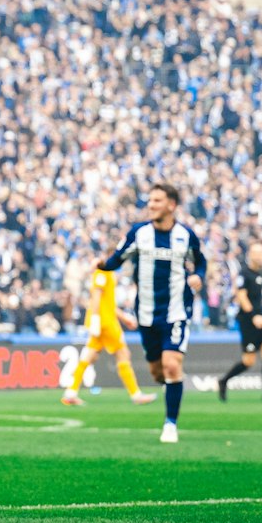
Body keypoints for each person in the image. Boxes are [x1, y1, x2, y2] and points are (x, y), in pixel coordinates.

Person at [98, 183, 207, 445]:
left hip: (176, 311)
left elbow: (200, 261)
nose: (151, 205)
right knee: (158, 372)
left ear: (171, 205)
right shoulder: (139, 233)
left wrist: (198, 277)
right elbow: (117, 259)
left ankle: (170, 424)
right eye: (150, 201)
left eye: (157, 201)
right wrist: (101, 265)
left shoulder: (185, 235)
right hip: (146, 314)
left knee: (172, 365)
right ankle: (171, 389)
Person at [61, 257, 155, 407]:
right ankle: (136, 394)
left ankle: (71, 393)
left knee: (88, 356)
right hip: (106, 323)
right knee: (123, 354)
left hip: (104, 320)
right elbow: (97, 297)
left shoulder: (107, 272)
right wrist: (97, 319)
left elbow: (107, 303)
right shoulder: (103, 272)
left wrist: (124, 318)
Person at [219, 245, 262, 402]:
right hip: (248, 320)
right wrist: (253, 316)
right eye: (259, 253)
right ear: (251, 255)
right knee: (248, 361)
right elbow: (241, 296)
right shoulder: (244, 274)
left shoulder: (260, 273)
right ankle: (224, 381)